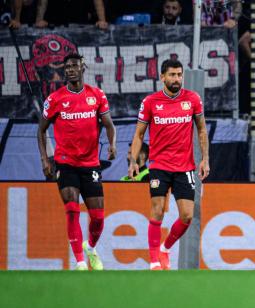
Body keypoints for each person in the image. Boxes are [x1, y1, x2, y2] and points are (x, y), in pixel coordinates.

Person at [37, 53, 117, 270]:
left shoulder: (96, 95)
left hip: (90, 163)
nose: (70, 70)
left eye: (74, 66)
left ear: (83, 68)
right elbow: (41, 130)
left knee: (98, 218)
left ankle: (90, 248)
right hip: (65, 162)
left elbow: (109, 124)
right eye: (67, 67)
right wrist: (45, 160)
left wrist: (112, 144)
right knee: (72, 209)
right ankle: (80, 261)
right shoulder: (55, 99)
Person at [128, 59, 209, 270]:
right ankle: (154, 261)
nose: (177, 79)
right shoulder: (150, 102)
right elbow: (139, 134)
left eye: (179, 75)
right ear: (162, 77)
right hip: (159, 165)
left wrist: (205, 159)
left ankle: (165, 248)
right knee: (157, 211)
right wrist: (133, 161)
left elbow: (201, 130)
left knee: (187, 216)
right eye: (172, 75)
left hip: (185, 167)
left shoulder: (192, 99)